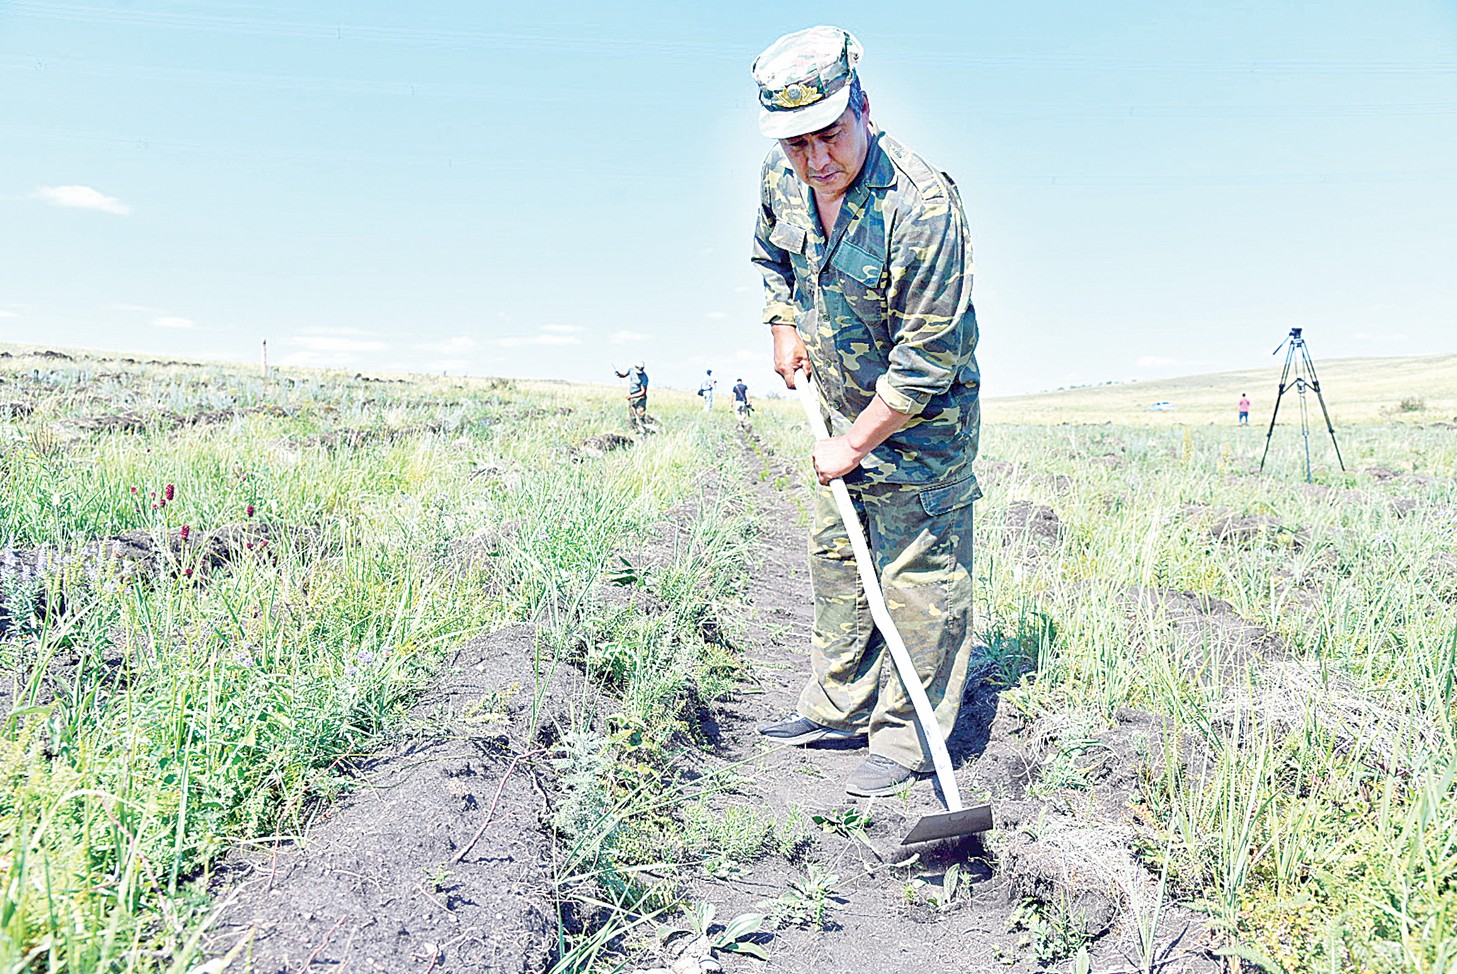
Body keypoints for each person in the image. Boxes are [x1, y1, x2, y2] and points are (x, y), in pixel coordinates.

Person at [748, 26, 981, 798]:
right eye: (797, 144)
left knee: (918, 578)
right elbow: (772, 258)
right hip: (836, 409)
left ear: (864, 108)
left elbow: (926, 361)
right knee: (838, 560)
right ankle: (837, 706)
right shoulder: (782, 178)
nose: (816, 160)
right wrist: (783, 325)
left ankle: (906, 739)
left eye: (830, 135)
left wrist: (854, 444)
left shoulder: (920, 206)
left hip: (921, 429)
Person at [613, 361, 650, 434]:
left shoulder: (645, 378)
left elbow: (643, 392)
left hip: (640, 399)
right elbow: (625, 374)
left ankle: (644, 431)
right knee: (632, 416)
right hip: (632, 397)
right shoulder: (631, 370)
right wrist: (620, 374)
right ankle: (635, 431)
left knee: (640, 416)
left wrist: (631, 396)